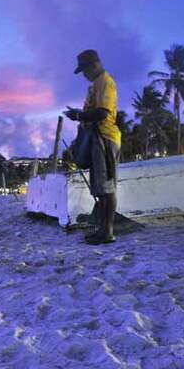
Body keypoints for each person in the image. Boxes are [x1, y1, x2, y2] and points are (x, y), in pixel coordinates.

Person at [64, 49, 121, 244]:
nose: (84, 75)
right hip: (97, 138)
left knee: (106, 186)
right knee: (100, 187)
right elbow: (95, 111)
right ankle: (102, 230)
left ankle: (107, 232)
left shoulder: (105, 81)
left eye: (85, 70)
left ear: (94, 64)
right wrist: (80, 115)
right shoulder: (97, 84)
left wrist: (79, 116)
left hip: (104, 137)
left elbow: (103, 113)